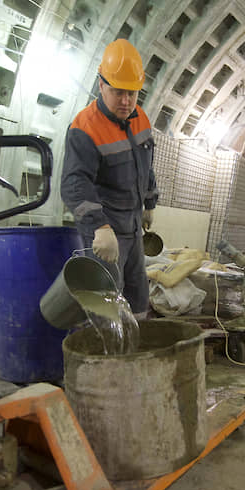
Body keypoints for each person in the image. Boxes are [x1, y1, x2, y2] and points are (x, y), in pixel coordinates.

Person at [61, 39, 158, 318]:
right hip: (105, 234)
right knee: (106, 308)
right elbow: (74, 185)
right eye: (118, 92)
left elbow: (146, 165)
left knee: (139, 299)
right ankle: (108, 358)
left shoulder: (140, 119)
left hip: (132, 228)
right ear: (101, 84)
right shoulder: (85, 128)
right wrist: (99, 228)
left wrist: (149, 202)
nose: (126, 101)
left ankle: (137, 354)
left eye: (132, 93)